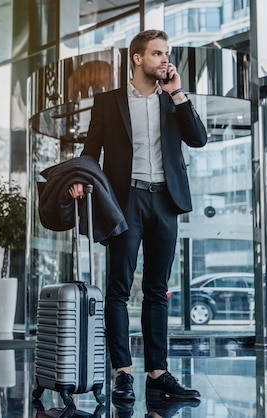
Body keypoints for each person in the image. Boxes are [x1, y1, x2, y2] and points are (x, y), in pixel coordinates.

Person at [69, 29, 207, 402]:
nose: (166, 60)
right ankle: (123, 373)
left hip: (166, 201)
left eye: (167, 54)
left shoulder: (172, 101)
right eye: (159, 54)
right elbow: (90, 150)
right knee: (118, 287)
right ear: (137, 58)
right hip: (125, 199)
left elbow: (199, 138)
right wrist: (81, 181)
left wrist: (177, 93)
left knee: (157, 290)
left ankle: (158, 372)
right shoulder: (109, 102)